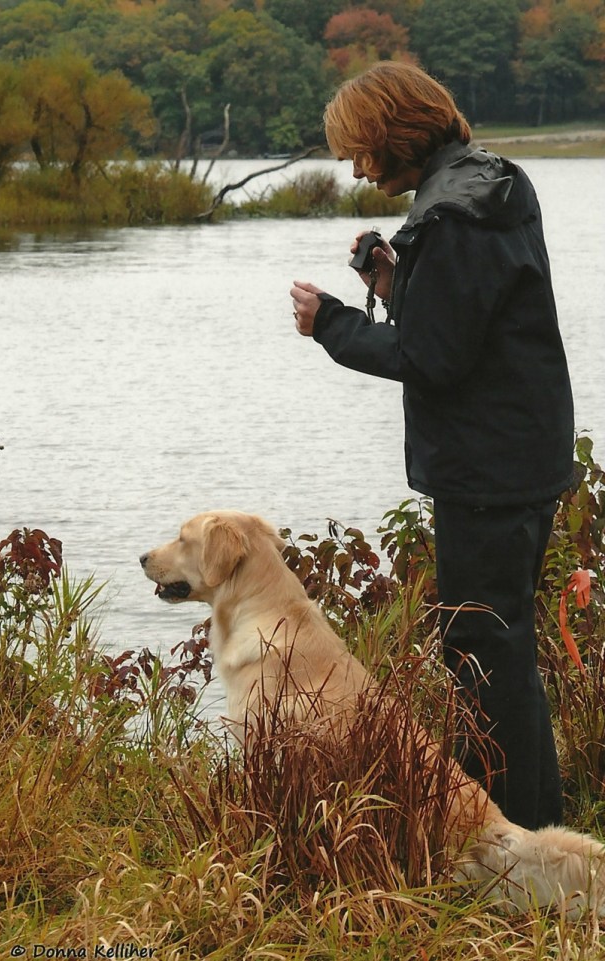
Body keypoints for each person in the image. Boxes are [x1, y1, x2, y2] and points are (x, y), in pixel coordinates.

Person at [290, 61, 574, 831]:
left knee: (482, 652)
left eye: (358, 148)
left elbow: (432, 359)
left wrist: (335, 324)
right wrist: (394, 280)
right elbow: (468, 319)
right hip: (524, 453)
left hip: (485, 468)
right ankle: (535, 828)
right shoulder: (495, 184)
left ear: (390, 134)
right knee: (502, 644)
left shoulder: (445, 218)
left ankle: (514, 842)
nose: (353, 165)